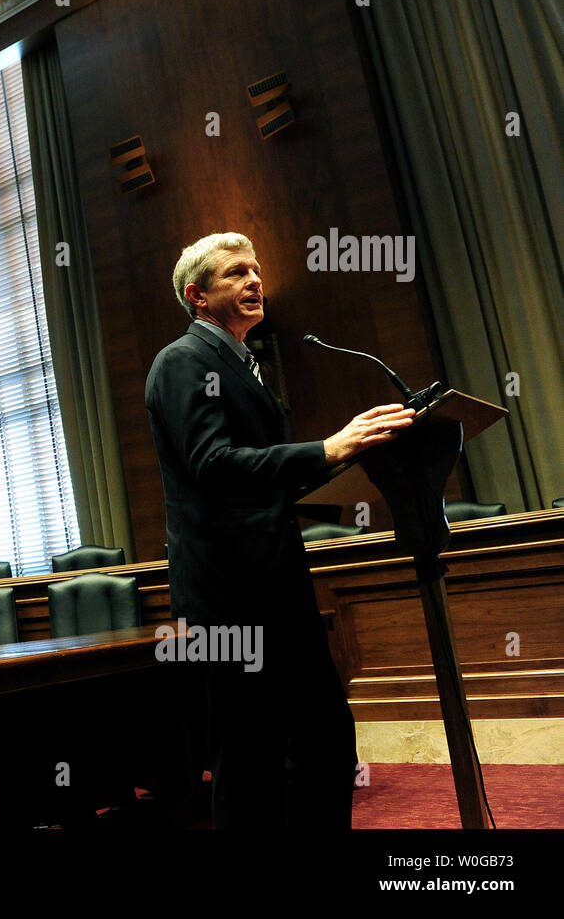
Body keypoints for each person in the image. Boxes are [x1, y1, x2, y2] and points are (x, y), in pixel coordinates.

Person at [144, 232, 414, 828]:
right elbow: (212, 465)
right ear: (198, 295)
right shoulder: (184, 361)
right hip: (229, 597)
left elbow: (262, 476)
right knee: (250, 759)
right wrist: (324, 449)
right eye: (236, 272)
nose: (255, 280)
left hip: (276, 584)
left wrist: (344, 459)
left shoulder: (243, 364)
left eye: (257, 269)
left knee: (324, 743)